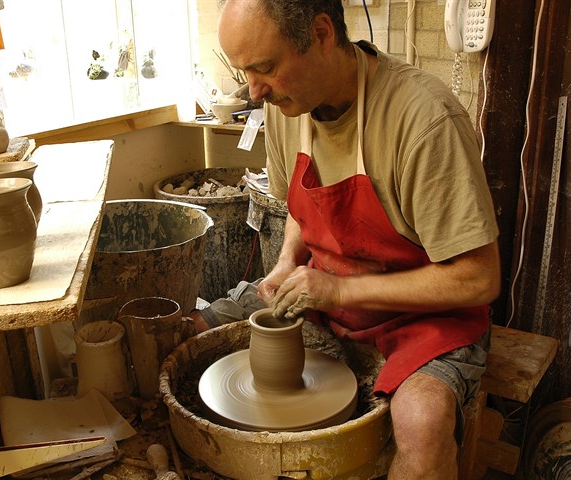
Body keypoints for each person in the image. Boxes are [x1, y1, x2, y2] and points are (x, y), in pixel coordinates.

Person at [196, 1, 502, 479]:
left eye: (265, 68)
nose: (254, 92)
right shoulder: (285, 105)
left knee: (422, 425)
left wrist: (339, 290)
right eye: (245, 72)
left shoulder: (423, 120)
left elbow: (478, 278)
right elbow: (304, 209)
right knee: (195, 331)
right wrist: (284, 264)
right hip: (327, 294)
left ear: (321, 34)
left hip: (426, 317)